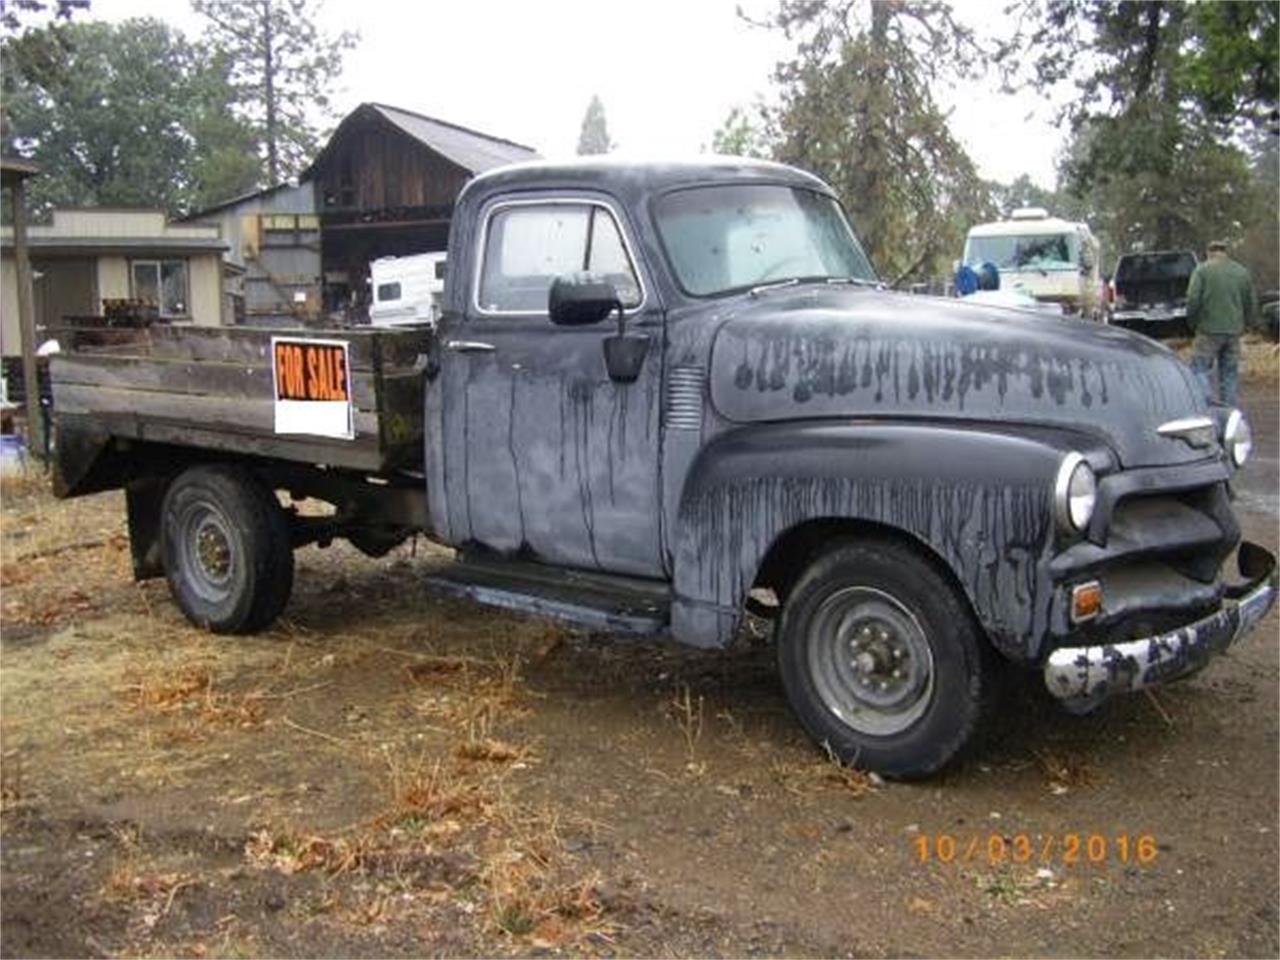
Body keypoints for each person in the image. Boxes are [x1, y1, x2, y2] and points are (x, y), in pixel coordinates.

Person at [1185, 240, 1257, 405]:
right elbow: (1250, 302)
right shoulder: (1241, 272)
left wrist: (1192, 323)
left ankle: (1206, 406)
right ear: (1226, 252)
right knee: (1229, 375)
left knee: (1199, 369)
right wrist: (1246, 324)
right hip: (1233, 331)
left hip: (1208, 330)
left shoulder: (1202, 270)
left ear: (1209, 252)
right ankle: (1229, 412)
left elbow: (1193, 300)